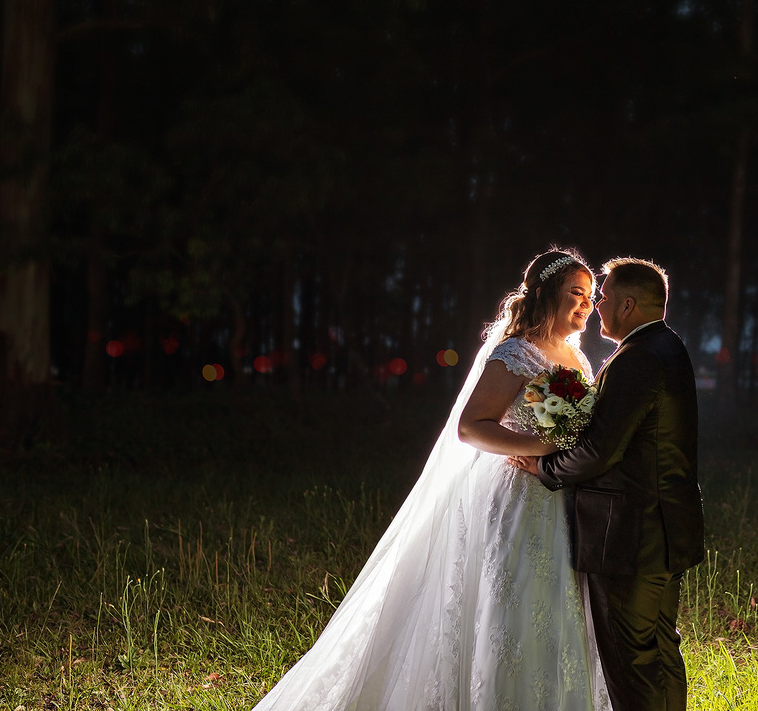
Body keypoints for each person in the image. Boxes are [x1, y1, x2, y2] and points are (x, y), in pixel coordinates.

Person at [251, 249, 611, 710]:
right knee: (517, 602)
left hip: (562, 495)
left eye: (590, 296)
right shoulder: (516, 352)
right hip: (521, 494)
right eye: (575, 295)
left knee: (559, 607)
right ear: (546, 297)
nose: (586, 304)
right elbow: (471, 426)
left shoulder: (576, 355)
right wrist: (543, 448)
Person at [512, 257, 704, 711]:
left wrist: (543, 470)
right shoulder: (667, 347)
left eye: (604, 298)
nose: (596, 305)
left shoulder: (637, 360)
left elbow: (600, 450)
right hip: (664, 530)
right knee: (659, 651)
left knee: (629, 662)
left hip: (629, 537)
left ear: (629, 304)